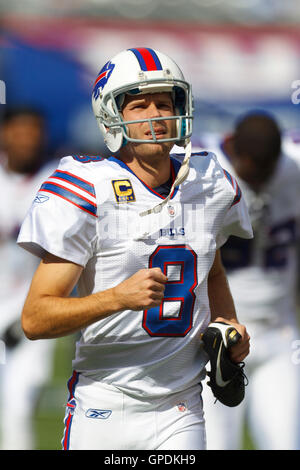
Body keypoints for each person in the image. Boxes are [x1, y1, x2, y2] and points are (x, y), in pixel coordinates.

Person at [17, 47, 252, 450]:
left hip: (182, 408)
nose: (156, 116)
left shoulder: (209, 181)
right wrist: (116, 298)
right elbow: (36, 318)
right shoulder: (85, 188)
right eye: (140, 106)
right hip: (103, 406)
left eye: (164, 102)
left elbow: (209, 264)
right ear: (113, 115)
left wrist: (228, 322)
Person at [200, 112, 300, 450]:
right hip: (214, 339)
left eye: (266, 172)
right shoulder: (201, 173)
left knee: (285, 443)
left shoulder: (294, 164)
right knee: (213, 446)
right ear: (235, 153)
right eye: (252, 173)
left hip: (278, 333)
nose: (258, 185)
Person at [0, 106, 57, 449]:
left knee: (19, 401)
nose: (28, 138)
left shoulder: (59, 181)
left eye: (35, 131)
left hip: (31, 307)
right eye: (21, 130)